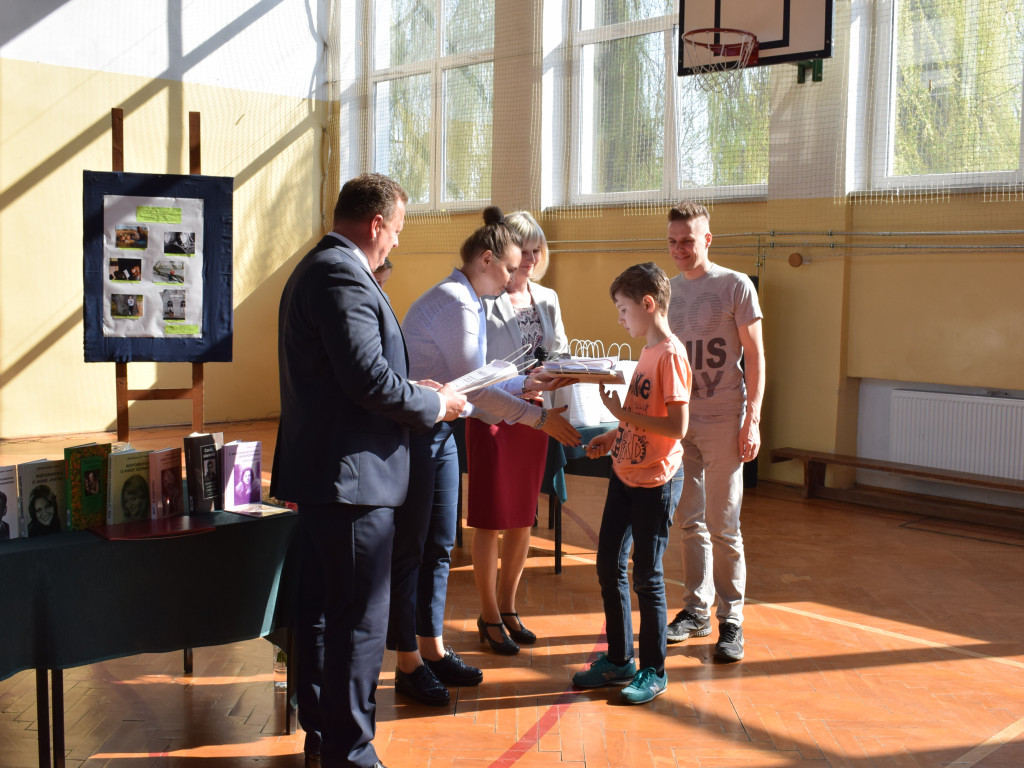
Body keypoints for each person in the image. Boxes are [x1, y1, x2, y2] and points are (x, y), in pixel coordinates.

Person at [270, 173, 466, 768]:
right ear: (376, 223)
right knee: (356, 621)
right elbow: (366, 382)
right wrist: (435, 404)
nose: (397, 245)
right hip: (353, 481)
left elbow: (355, 375)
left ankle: (326, 736)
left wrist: (414, 388)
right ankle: (351, 751)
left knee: (326, 614)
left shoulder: (323, 268)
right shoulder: (339, 273)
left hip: (333, 475)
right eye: (397, 232)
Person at [390, 207, 578, 705]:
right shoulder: (456, 301)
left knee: (439, 545)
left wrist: (529, 383)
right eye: (512, 267)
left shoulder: (471, 298)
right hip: (417, 433)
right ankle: (407, 661)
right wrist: (540, 417)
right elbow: (483, 395)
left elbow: (480, 380)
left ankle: (432, 650)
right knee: (415, 549)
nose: (516, 278)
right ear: (488, 259)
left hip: (441, 431)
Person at [571, 262, 691, 705]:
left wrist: (622, 416)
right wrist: (614, 434)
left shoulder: (671, 356)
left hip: (655, 483)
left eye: (623, 310)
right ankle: (619, 659)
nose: (620, 319)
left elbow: (676, 425)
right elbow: (644, 419)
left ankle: (653, 670)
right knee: (608, 564)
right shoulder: (646, 351)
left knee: (647, 576)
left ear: (648, 304)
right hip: (624, 474)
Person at [663, 201, 764, 664]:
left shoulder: (735, 286)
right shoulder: (667, 292)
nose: (680, 249)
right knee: (690, 521)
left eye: (688, 240)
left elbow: (756, 358)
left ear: (707, 239)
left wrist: (753, 418)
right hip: (681, 420)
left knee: (724, 523)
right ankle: (695, 610)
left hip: (725, 419)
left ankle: (733, 619)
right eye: (673, 241)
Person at [470, 210, 568, 651]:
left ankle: (509, 607)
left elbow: (561, 348)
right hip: (494, 416)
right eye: (522, 251)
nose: (529, 260)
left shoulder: (547, 297)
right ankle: (488, 615)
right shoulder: (482, 299)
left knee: (523, 519)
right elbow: (477, 365)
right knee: (491, 519)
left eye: (535, 251)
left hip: (536, 414)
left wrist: (561, 372)